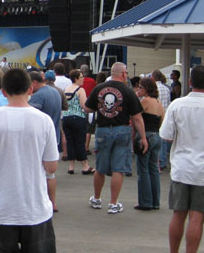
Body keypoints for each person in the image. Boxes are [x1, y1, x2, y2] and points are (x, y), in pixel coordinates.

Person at [0, 67, 59, 252]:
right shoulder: (44, 121)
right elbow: (51, 167)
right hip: (35, 210)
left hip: (1, 209)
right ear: (30, 90)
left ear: (3, 92)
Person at [160, 65, 204, 253]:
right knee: (197, 217)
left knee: (178, 214)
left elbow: (166, 134)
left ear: (190, 82)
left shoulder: (177, 105)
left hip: (182, 167)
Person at [84, 62, 147, 214]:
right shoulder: (128, 91)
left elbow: (87, 107)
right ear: (124, 74)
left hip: (103, 130)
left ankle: (97, 198)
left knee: (100, 167)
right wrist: (143, 137)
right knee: (118, 168)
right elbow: (137, 117)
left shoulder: (99, 88)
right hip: (122, 129)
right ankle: (113, 203)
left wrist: (100, 108)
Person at [29, 70, 64, 212]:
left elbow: (30, 118)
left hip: (41, 140)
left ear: (34, 83)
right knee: (50, 174)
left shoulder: (38, 96)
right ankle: (52, 202)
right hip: (54, 136)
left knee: (38, 173)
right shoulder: (55, 92)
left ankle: (40, 203)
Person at [134, 77, 164, 210]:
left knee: (143, 169)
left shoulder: (145, 101)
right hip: (156, 135)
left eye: (141, 87)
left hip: (146, 135)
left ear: (146, 89)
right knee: (153, 169)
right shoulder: (159, 103)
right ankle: (155, 201)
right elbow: (162, 119)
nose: (139, 90)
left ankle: (145, 201)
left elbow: (135, 115)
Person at [62, 69, 94, 175]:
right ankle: (85, 166)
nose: (83, 79)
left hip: (66, 118)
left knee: (70, 141)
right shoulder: (80, 90)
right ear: (76, 78)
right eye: (81, 77)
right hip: (78, 117)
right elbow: (84, 106)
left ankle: (71, 167)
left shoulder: (66, 89)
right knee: (80, 141)